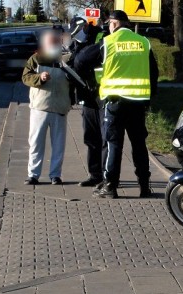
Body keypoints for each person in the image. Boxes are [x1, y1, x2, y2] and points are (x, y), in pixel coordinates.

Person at [75, 10, 159, 199]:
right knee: (139, 144)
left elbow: (80, 60)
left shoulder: (109, 42)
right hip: (138, 102)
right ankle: (144, 187)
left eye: (109, 24)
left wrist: (93, 78)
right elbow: (154, 73)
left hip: (115, 102)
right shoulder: (143, 42)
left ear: (114, 24)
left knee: (113, 144)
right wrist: (150, 98)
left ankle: (110, 186)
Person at [21, 31, 72, 185]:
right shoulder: (36, 58)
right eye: (51, 42)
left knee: (58, 145)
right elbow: (25, 77)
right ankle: (33, 175)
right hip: (40, 107)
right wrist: (39, 78)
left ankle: (55, 175)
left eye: (56, 42)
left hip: (60, 107)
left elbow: (76, 78)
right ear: (45, 44)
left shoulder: (66, 59)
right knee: (36, 143)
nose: (54, 44)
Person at [69, 19, 106, 187]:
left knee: (106, 137)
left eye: (78, 32)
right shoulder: (77, 42)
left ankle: (108, 175)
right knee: (91, 137)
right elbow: (74, 64)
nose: (76, 36)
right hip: (88, 96)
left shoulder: (101, 36)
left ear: (85, 27)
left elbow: (90, 60)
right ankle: (95, 175)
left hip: (103, 94)